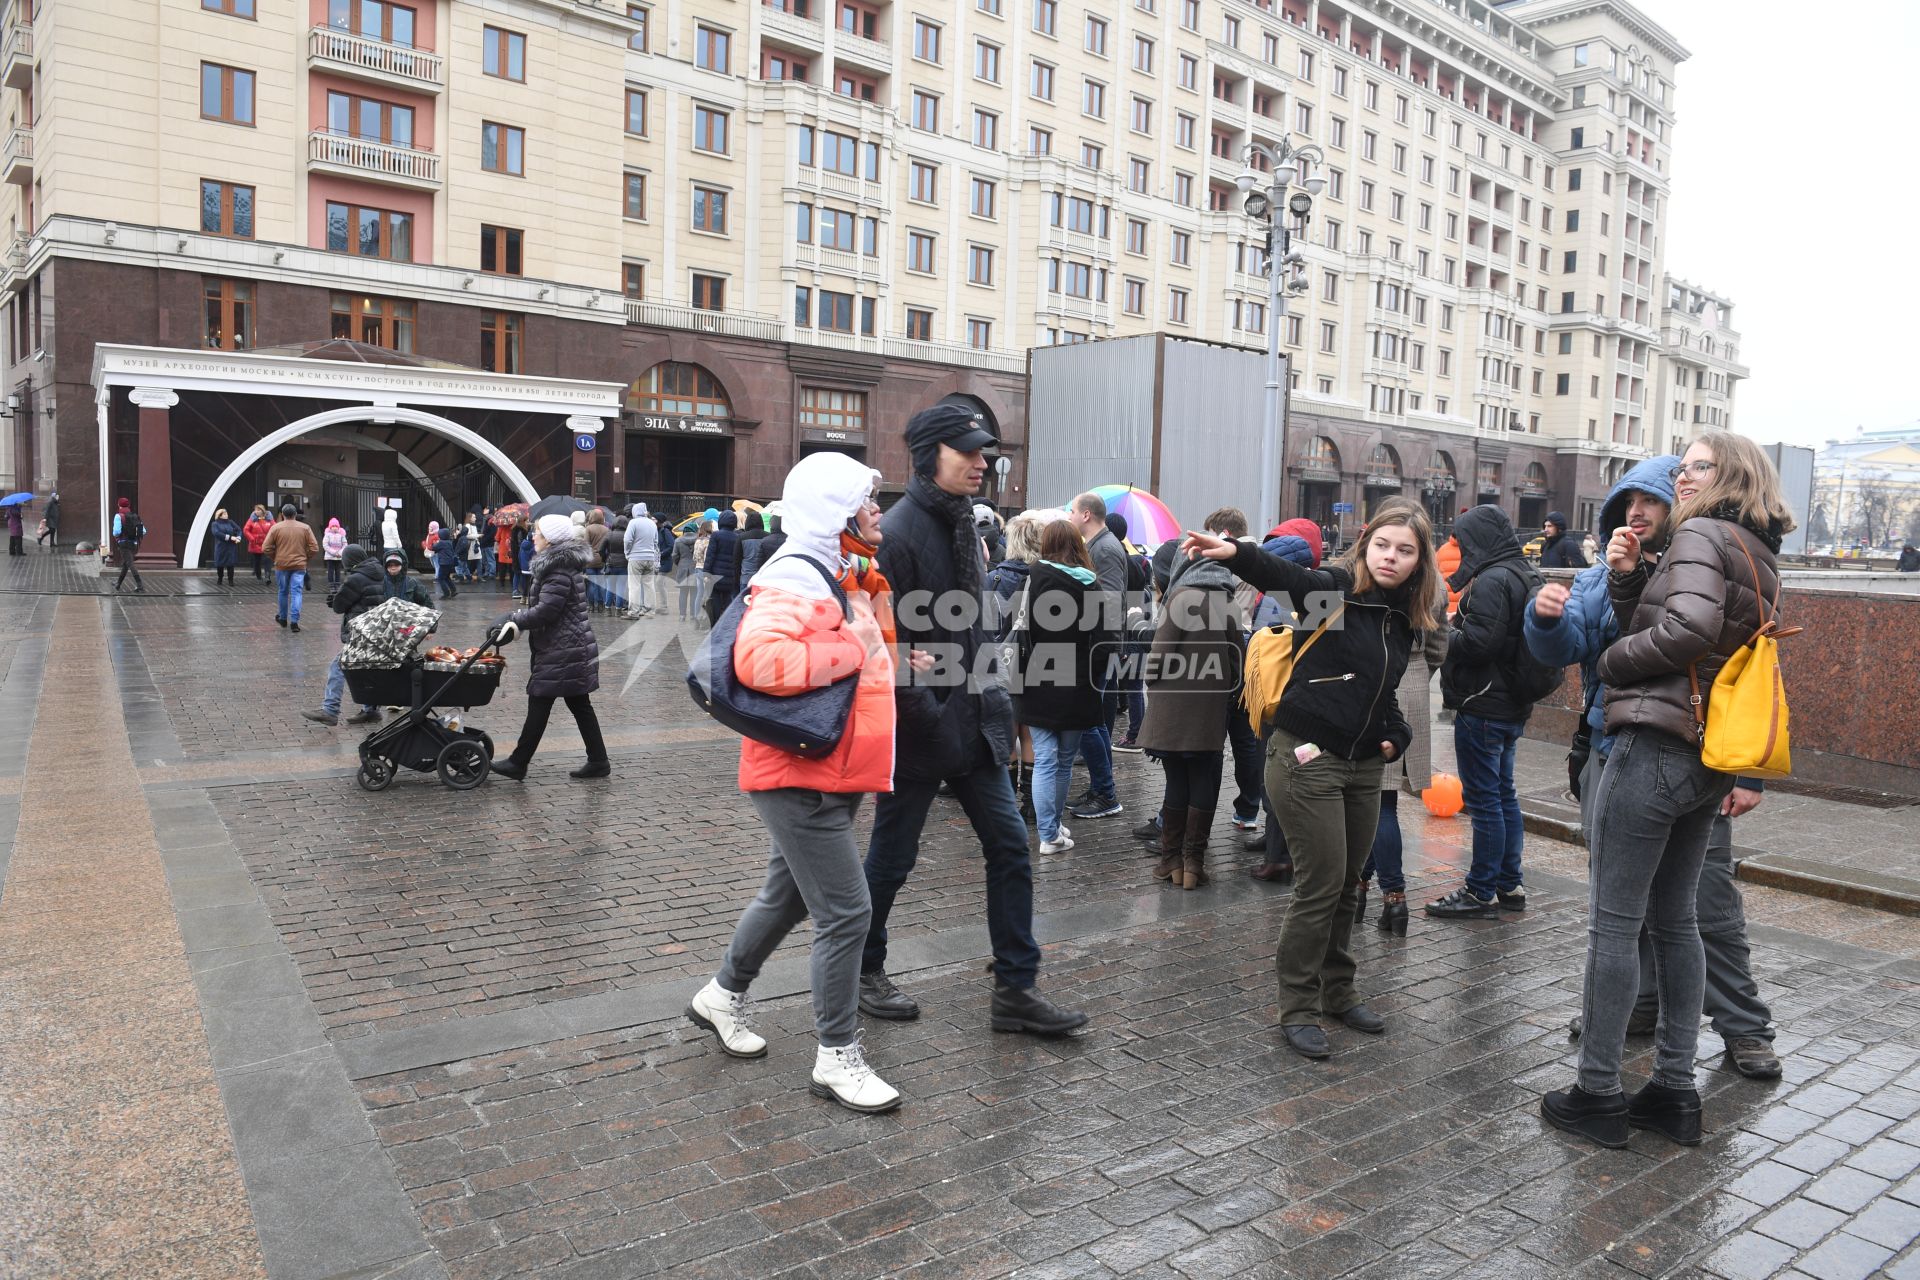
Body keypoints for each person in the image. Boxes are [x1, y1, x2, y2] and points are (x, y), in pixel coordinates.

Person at [1542, 431, 1796, 1148]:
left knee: (1615, 925)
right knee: (1677, 922)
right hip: (1705, 758)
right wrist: (1627, 584)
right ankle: (1674, 1093)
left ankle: (1596, 1095)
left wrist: (1613, 662)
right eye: (1681, 468)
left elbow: (1685, 628)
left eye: (1698, 468)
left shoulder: (1699, 538)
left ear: (1731, 474)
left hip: (1653, 749)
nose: (1682, 478)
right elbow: (1694, 633)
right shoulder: (1754, 549)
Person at [857, 403, 1086, 1036]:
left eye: (985, 452)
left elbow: (974, 625)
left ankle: (1015, 989)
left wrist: (995, 704)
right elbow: (881, 641)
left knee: (1011, 849)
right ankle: (862, 968)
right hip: (924, 727)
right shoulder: (899, 532)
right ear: (932, 454)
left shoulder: (963, 524)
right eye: (970, 452)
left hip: (976, 722)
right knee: (893, 857)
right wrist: (927, 711)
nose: (983, 462)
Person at [1181, 505, 1443, 1060]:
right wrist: (1239, 553)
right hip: (1308, 759)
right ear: (1366, 544)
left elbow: (1383, 689)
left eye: (1406, 550)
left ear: (1421, 561)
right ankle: (1297, 1007)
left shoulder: (1401, 614)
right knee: (1319, 886)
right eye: (1383, 545)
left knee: (1349, 884)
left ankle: (1337, 991)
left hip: (1365, 764)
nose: (1391, 557)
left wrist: (1398, 735)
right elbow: (1293, 578)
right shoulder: (1338, 590)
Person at [689, 455, 907, 1113]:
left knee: (787, 898)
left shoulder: (838, 575)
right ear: (833, 511)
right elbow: (761, 660)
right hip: (800, 773)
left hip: (824, 769)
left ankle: (722, 995)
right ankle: (837, 1059)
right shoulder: (798, 576)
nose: (878, 512)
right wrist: (853, 651)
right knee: (848, 911)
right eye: (867, 502)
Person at [1427, 504, 1549, 920]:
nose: (1461, 549)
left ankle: (1481, 890)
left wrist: (1441, 630)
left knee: (1484, 803)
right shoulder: (1524, 571)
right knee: (1503, 796)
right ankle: (1508, 884)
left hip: (1484, 705)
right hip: (1511, 704)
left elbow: (1479, 644)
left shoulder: (1494, 580)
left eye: (1464, 540)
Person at [1354, 499, 1450, 933]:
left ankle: (1394, 898)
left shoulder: (1359, 581)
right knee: (1380, 801)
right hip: (1411, 686)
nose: (1392, 555)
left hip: (1375, 691)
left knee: (1379, 804)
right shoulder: (1435, 586)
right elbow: (1438, 649)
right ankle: (1360, 886)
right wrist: (1416, 673)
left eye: (1403, 548)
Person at [1139, 519, 1246, 890]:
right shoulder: (1226, 599)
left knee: (1175, 783)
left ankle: (1169, 860)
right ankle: (1193, 864)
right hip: (1210, 709)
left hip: (1173, 709)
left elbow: (1159, 656)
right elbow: (1237, 661)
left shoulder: (1181, 597)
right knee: (1204, 779)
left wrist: (1153, 683)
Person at [1010, 519, 1105, 855]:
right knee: (1063, 760)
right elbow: (1103, 641)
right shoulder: (1091, 584)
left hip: (1038, 676)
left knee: (1046, 759)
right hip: (1078, 682)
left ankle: (1049, 832)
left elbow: (1019, 629)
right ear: (1077, 545)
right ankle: (1051, 830)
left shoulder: (1030, 579)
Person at [492, 515, 610, 782]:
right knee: (579, 704)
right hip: (568, 645)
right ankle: (598, 760)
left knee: (541, 699)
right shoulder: (561, 566)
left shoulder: (557, 570)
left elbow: (546, 611)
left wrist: (515, 619)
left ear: (551, 539)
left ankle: (518, 762)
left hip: (563, 648)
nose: (533, 537)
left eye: (538, 533)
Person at [1246, 518, 1324, 882]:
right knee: (1280, 772)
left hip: (1281, 698)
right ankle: (1278, 842)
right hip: (1291, 697)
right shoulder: (1314, 591)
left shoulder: (1290, 591)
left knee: (1279, 772)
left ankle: (1280, 855)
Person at [302, 546, 429, 727]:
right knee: (368, 669)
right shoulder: (382, 574)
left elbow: (339, 606)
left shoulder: (356, 579)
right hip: (380, 632)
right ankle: (371, 710)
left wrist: (335, 599)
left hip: (361, 633)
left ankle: (330, 710)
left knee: (339, 666)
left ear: (349, 562)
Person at [1065, 492, 1127, 821]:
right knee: (1094, 722)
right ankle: (1102, 787)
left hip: (1098, 647)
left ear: (1086, 514)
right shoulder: (1099, 545)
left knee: (1088, 722)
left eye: (1072, 511)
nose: (1070, 515)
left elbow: (1111, 601)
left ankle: (1106, 793)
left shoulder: (1105, 548)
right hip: (1096, 645)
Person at [986, 510, 1047, 822]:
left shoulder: (993, 578)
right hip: (1038, 663)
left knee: (1006, 733)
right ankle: (1033, 805)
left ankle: (1007, 803)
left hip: (998, 662)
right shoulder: (1047, 579)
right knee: (1031, 735)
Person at [263, 504, 319, 630]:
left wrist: (275, 557)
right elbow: (314, 548)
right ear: (295, 514)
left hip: (281, 565)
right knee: (297, 592)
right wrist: (305, 558)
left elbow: (265, 548)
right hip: (299, 565)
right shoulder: (305, 528)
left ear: (282, 514)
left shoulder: (276, 528)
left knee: (283, 591)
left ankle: (283, 618)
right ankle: (294, 622)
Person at [704, 510, 743, 626]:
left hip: (716, 576)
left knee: (714, 601)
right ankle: (725, 626)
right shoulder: (738, 537)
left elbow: (710, 556)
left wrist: (706, 572)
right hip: (730, 576)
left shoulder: (716, 535)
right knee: (727, 601)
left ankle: (714, 625)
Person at [623, 502, 660, 618]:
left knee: (634, 586)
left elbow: (627, 540)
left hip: (635, 557)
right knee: (649, 585)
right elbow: (655, 542)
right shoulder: (652, 523)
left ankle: (633, 612)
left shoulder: (633, 523)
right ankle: (649, 611)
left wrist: (627, 552)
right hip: (650, 558)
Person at [739, 509, 786, 588]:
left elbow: (738, 560)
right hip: (773, 580)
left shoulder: (742, 537)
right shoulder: (785, 540)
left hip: (746, 577)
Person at [109, 498, 146, 591]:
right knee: (126, 563)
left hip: (123, 543)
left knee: (130, 563)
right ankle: (118, 583)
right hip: (133, 543)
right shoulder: (134, 516)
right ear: (128, 505)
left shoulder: (118, 516)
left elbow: (116, 532)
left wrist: (116, 536)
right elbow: (144, 531)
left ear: (119, 505)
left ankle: (140, 585)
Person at [674, 520, 703, 620]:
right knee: (694, 592)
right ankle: (692, 615)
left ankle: (682, 615)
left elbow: (674, 556)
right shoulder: (699, 540)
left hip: (682, 568)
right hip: (695, 568)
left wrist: (680, 563)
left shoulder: (678, 541)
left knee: (683, 593)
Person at [209, 508, 242, 586]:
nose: (226, 515)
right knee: (220, 564)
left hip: (231, 546)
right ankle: (220, 578)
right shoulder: (215, 524)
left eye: (226, 513)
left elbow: (239, 530)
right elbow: (216, 533)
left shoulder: (230, 522)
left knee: (230, 564)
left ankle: (231, 580)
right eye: (224, 514)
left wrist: (238, 537)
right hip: (221, 546)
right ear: (219, 516)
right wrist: (230, 537)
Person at [431, 523, 461, 598]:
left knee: (440, 578)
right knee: (447, 577)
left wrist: (433, 543)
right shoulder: (449, 542)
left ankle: (446, 593)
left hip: (444, 563)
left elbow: (434, 547)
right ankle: (453, 590)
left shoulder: (441, 543)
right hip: (450, 563)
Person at [244, 505, 274, 579]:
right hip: (256, 543)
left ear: (262, 510)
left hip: (267, 543)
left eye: (258, 510)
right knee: (257, 561)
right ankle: (258, 575)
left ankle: (267, 575)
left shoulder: (269, 519)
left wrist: (271, 539)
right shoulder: (252, 519)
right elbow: (246, 530)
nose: (256, 511)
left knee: (267, 560)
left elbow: (275, 528)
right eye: (255, 510)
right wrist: (252, 539)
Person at [322, 518, 347, 586]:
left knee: (338, 570)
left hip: (339, 556)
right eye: (333, 526)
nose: (334, 528)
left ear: (338, 526)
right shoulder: (327, 535)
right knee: (330, 570)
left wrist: (340, 553)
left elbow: (345, 544)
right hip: (330, 556)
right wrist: (334, 553)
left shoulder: (342, 534)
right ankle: (331, 584)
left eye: (336, 526)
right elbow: (325, 545)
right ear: (330, 527)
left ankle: (337, 583)